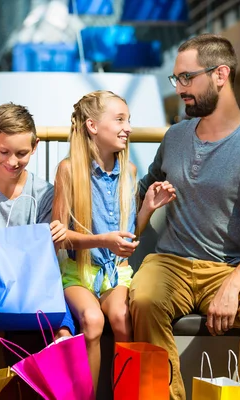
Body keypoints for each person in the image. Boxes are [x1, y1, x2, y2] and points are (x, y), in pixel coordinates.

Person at [129, 34, 240, 400]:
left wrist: (233, 285)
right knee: (142, 298)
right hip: (170, 262)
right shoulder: (175, 136)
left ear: (221, 74)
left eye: (187, 77)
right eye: (176, 79)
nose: (180, 88)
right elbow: (141, 189)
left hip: (230, 267)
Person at [51, 90, 176, 392]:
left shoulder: (129, 172)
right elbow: (58, 237)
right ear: (92, 126)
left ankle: (127, 394)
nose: (128, 127)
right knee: (92, 322)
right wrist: (102, 241)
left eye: (128, 120)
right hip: (77, 274)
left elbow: (129, 236)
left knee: (121, 317)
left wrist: (147, 206)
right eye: (120, 119)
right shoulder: (68, 171)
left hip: (116, 273)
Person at [0, 102, 75, 370]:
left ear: (34, 148)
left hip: (37, 285)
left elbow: (46, 257)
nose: (12, 161)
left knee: (63, 334)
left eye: (22, 153)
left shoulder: (45, 191)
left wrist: (56, 237)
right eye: (4, 152)